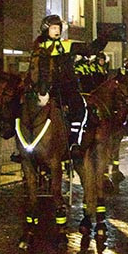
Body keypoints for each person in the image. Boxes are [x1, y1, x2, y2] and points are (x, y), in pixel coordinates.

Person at [30, 14, 107, 158]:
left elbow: (89, 49)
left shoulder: (67, 45)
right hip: (45, 89)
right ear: (46, 30)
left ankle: (74, 141)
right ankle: (23, 146)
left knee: (79, 107)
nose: (57, 31)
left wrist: (103, 38)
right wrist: (41, 89)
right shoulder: (39, 49)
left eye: (58, 28)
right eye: (53, 28)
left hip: (67, 88)